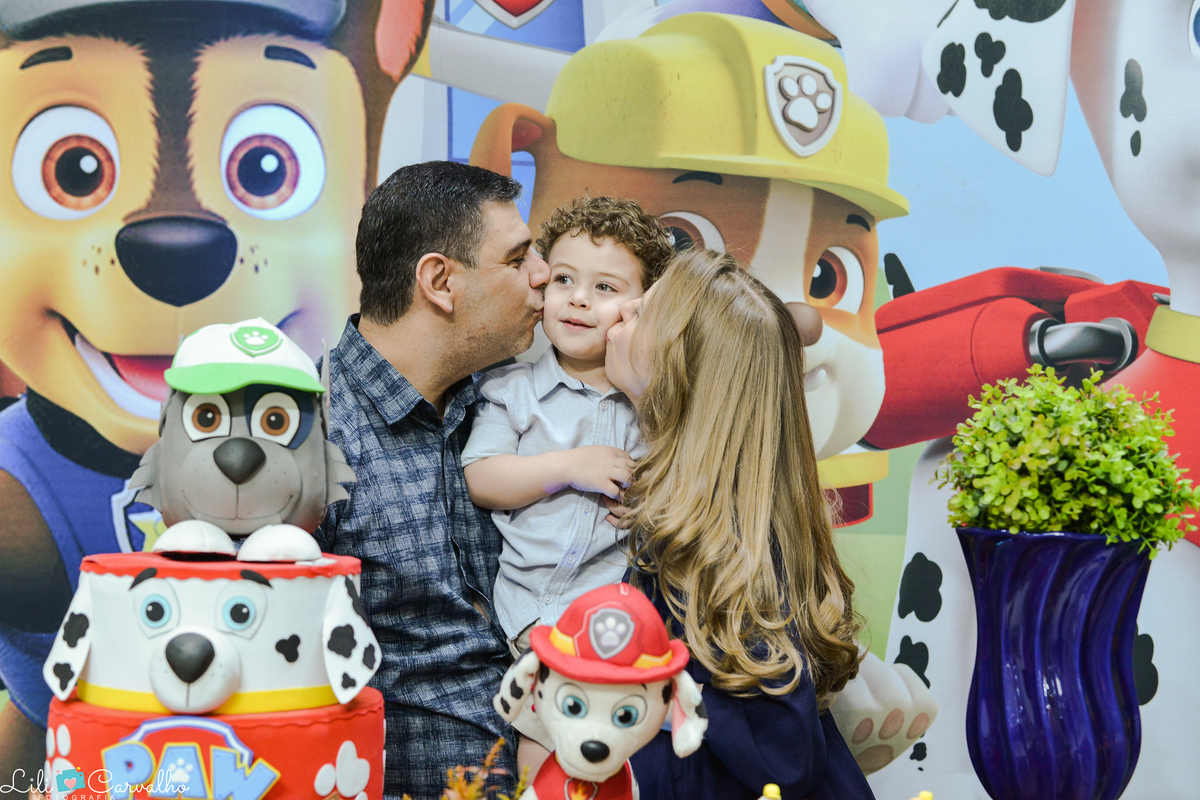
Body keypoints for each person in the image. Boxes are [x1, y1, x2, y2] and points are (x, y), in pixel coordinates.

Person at [315, 160, 550, 800]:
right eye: (518, 257)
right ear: (440, 281)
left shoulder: (519, 407)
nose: (544, 275)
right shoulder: (311, 431)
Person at [605, 249, 874, 800]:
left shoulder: (711, 550)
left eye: (642, 312)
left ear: (680, 369)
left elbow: (781, 753)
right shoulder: (717, 522)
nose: (622, 308)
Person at [460, 196, 673, 772]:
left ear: (643, 307)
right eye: (564, 279)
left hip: (612, 619)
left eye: (606, 289)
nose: (578, 298)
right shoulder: (513, 389)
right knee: (544, 733)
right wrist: (566, 466)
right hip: (526, 609)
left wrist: (652, 506)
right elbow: (481, 476)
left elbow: (682, 488)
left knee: (611, 743)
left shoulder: (652, 406)